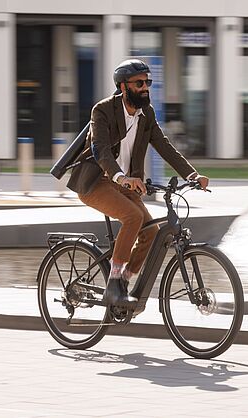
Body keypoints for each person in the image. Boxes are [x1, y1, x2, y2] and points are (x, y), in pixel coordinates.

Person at [67, 59, 209, 306]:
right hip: (97, 181)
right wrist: (121, 176)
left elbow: (164, 146)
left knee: (151, 232)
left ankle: (124, 279)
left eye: (148, 82)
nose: (145, 87)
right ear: (123, 87)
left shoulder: (147, 114)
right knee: (133, 218)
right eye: (139, 83)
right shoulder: (102, 111)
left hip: (127, 185)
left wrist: (192, 175)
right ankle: (113, 284)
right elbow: (100, 150)